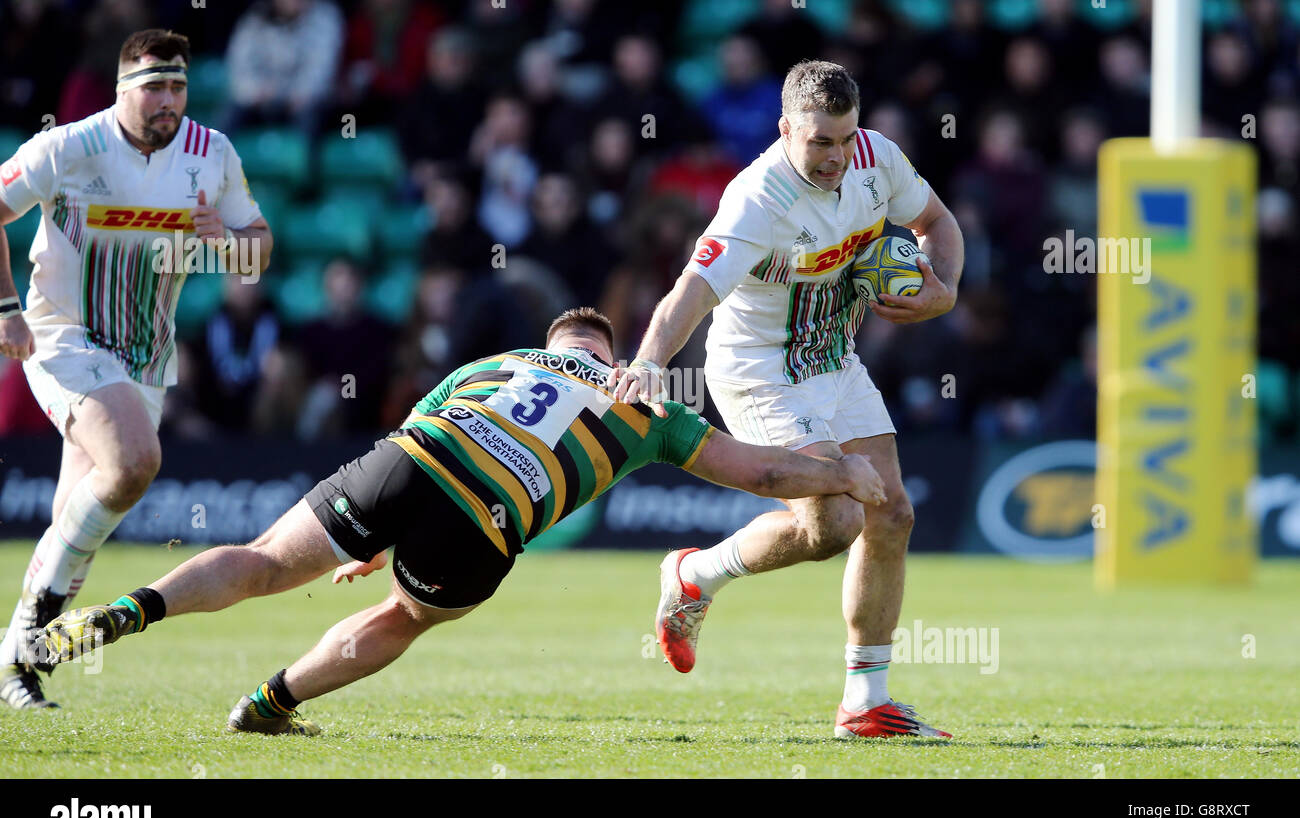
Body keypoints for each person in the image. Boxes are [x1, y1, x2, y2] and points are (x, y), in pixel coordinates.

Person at [40, 308, 887, 736]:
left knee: (263, 559)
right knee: (404, 618)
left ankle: (127, 611)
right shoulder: (646, 404)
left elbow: (416, 430)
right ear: (614, 356)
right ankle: (269, 703)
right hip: (483, 526)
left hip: (411, 462)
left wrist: (374, 537)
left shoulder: (500, 361)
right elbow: (763, 471)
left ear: (555, 344)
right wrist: (845, 471)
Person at [608, 60, 965, 739]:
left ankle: (865, 702)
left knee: (891, 513)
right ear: (785, 130)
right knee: (834, 522)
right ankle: (695, 573)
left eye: (844, 138)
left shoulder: (875, 159)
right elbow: (691, 290)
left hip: (834, 359)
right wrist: (650, 363)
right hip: (758, 370)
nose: (835, 157)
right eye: (819, 141)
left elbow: (938, 222)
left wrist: (942, 288)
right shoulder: (757, 199)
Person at [0, 28, 272, 708]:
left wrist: (230, 246)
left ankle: (13, 661)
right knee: (134, 462)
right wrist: (6, 308)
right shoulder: (68, 147)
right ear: (122, 90)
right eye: (153, 86)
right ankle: (33, 639)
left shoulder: (212, 154)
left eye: (178, 86)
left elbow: (259, 252)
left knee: (77, 517)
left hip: (145, 358)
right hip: (63, 335)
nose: (168, 100)